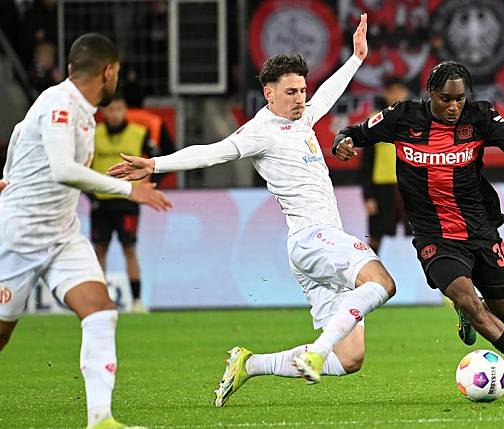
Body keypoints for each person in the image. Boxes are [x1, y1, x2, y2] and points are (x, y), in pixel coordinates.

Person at [108, 14, 396, 407]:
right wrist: (155, 164)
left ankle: (251, 364)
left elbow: (326, 96)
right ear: (268, 93)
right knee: (381, 282)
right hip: (314, 239)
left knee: (349, 359)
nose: (300, 98)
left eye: (302, 90)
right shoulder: (259, 131)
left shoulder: (303, 116)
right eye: (291, 92)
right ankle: (316, 348)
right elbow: (209, 154)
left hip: (316, 248)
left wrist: (356, 59)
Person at [332, 60, 504, 398]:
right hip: (433, 235)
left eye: (459, 99)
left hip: (479, 228)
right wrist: (342, 142)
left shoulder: (480, 116)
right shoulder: (402, 117)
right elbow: (354, 132)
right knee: (469, 300)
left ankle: (466, 311)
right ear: (431, 94)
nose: (453, 107)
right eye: (445, 99)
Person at [0, 33, 171, 429]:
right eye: (117, 74)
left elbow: (19, 135)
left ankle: (101, 419)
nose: (117, 81)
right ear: (108, 71)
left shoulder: (76, 107)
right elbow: (62, 170)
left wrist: (9, 174)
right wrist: (132, 191)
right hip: (20, 237)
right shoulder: (61, 104)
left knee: (100, 310)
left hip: (62, 235)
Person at [90, 92, 158, 312]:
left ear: (125, 110)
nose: (115, 114)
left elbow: (156, 162)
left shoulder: (139, 133)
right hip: (100, 201)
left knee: (129, 248)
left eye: (119, 109)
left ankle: (137, 301)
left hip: (128, 200)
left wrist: (146, 185)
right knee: (99, 250)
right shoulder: (93, 134)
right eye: (110, 109)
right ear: (103, 112)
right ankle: (99, 300)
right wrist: (90, 195)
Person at [361, 76, 412, 254]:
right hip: (381, 186)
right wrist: (368, 196)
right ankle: (371, 278)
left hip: (410, 187)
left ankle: (434, 277)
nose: (397, 95)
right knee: (375, 238)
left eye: (400, 90)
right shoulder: (374, 121)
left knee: (425, 236)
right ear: (385, 94)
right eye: (393, 91)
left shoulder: (417, 120)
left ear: (406, 93)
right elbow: (366, 163)